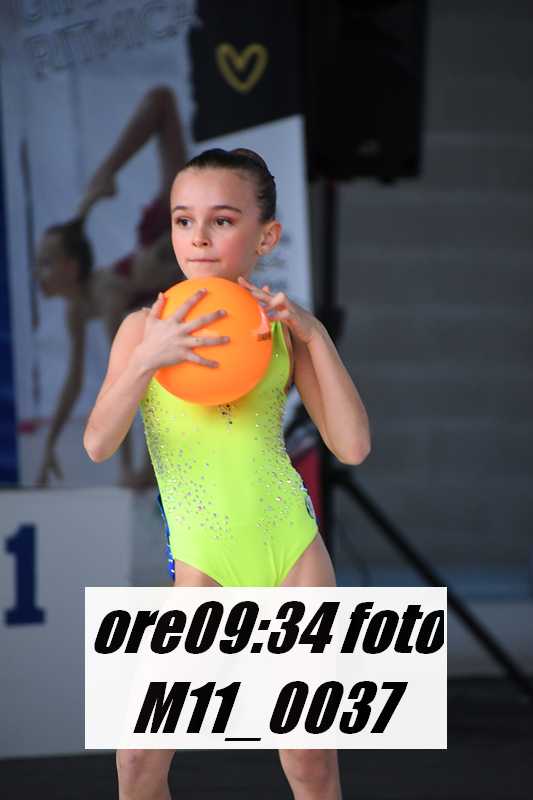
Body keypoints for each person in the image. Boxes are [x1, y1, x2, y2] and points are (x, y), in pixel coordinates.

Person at [83, 147, 371, 800]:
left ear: (265, 237)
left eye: (221, 220)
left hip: (290, 551)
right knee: (138, 762)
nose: (199, 238)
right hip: (201, 563)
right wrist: (147, 359)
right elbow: (99, 443)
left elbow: (352, 447)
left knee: (310, 764)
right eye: (183, 220)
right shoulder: (141, 328)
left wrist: (315, 336)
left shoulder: (284, 330)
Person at [34, 86, 186, 488]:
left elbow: (125, 381)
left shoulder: (105, 295)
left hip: (164, 246)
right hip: (163, 264)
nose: (38, 275)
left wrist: (130, 468)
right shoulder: (80, 306)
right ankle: (102, 177)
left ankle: (104, 173)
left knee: (161, 102)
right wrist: (49, 442)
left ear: (70, 267)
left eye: (45, 264)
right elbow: (73, 382)